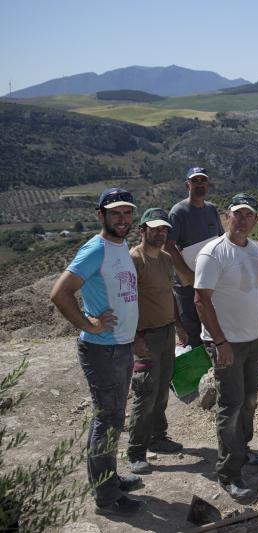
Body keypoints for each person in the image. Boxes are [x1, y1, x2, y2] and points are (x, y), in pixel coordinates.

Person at [50, 188, 144, 516]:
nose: (122, 219)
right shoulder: (96, 249)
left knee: (114, 419)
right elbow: (60, 293)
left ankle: (111, 478)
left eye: (127, 213)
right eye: (115, 213)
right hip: (102, 350)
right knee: (108, 421)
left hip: (120, 346)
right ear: (100, 214)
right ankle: (106, 495)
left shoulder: (120, 248)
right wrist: (89, 325)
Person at [194, 193, 258, 500]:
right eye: (237, 214)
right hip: (226, 342)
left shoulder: (256, 249)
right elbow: (201, 300)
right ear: (226, 216)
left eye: (248, 215)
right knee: (230, 406)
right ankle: (228, 474)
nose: (242, 220)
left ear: (255, 221)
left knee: (249, 399)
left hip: (253, 338)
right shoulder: (213, 253)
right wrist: (220, 342)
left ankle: (242, 450)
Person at [126, 208, 188, 475]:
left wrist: (179, 325)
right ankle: (136, 451)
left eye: (164, 229)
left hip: (165, 332)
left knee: (163, 388)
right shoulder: (134, 259)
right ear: (142, 230)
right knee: (145, 393)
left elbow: (169, 294)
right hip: (145, 336)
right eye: (154, 229)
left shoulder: (165, 259)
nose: (160, 233)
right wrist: (135, 337)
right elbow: (125, 301)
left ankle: (158, 437)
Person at [165, 166, 224, 349]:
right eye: (195, 181)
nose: (199, 185)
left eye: (203, 181)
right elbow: (168, 245)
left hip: (210, 279)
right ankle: (196, 372)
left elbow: (221, 240)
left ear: (208, 185)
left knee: (212, 321)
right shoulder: (178, 212)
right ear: (187, 185)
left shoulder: (212, 209)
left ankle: (216, 365)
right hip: (187, 281)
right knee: (191, 325)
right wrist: (188, 273)